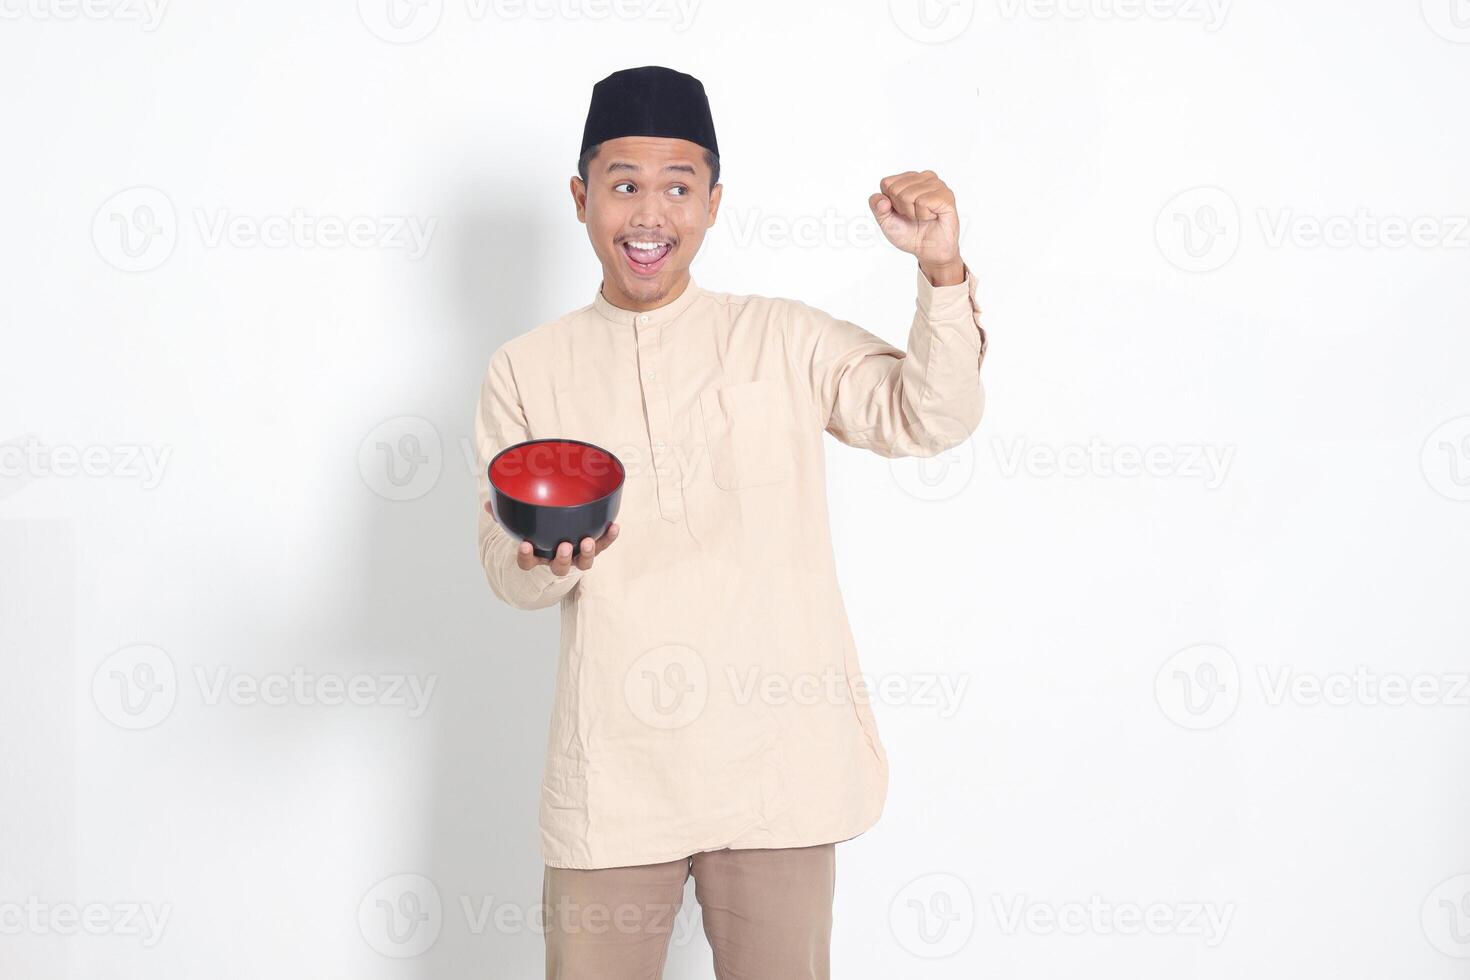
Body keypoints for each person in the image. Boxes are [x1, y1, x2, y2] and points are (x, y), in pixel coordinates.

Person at [473, 64, 988, 980]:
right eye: (623, 185)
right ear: (580, 196)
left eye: (678, 187)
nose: (648, 215)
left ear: (714, 203)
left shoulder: (783, 337)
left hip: (776, 772)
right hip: (614, 781)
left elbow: (929, 415)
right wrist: (550, 556)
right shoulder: (528, 366)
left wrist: (940, 269)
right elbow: (505, 571)